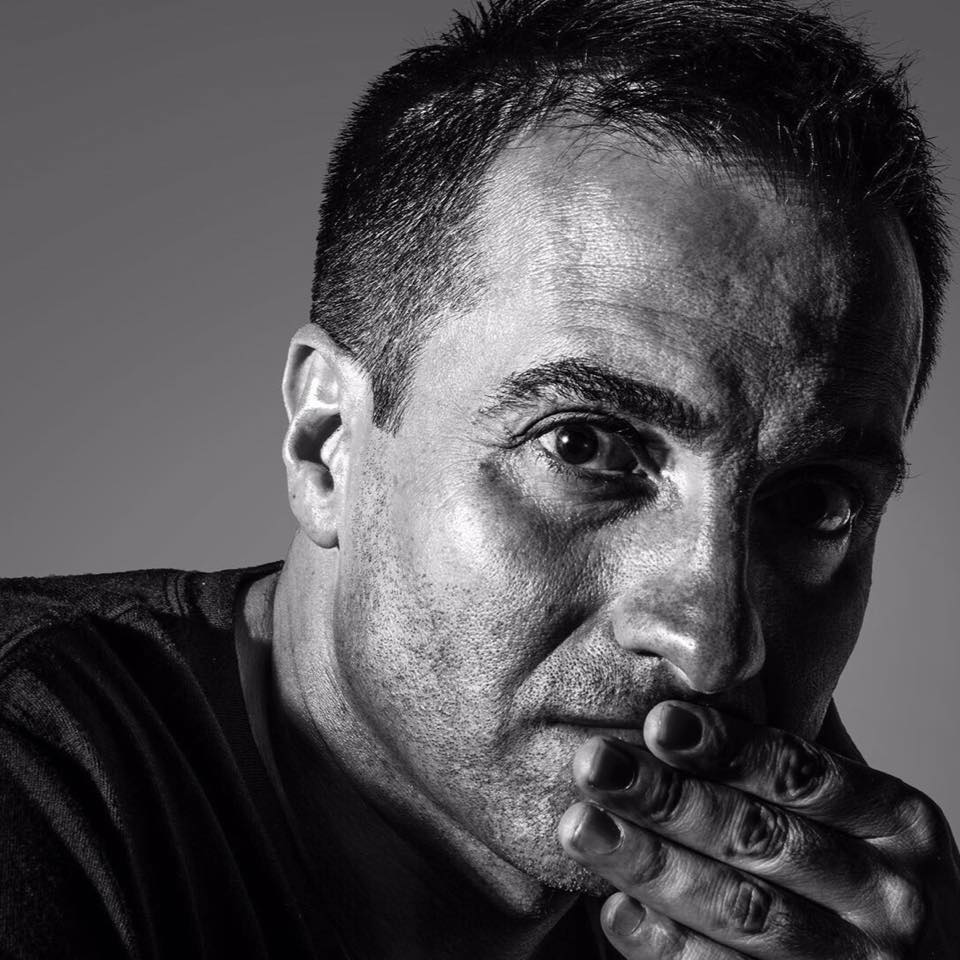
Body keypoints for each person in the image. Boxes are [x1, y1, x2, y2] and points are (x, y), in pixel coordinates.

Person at [2, 0, 958, 956]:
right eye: (582, 446)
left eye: (814, 504)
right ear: (327, 444)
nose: (711, 649)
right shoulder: (42, 781)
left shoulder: (799, 928)